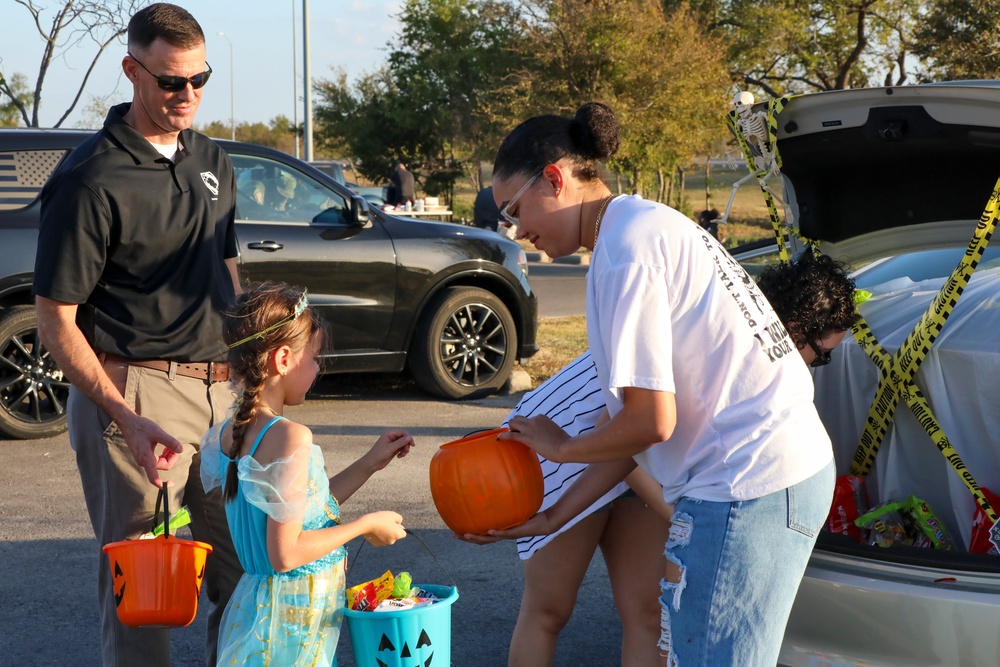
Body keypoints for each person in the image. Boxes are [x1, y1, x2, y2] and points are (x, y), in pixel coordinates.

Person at [485, 102, 836, 667]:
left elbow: (651, 423)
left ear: (554, 178)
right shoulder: (639, 226)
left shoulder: (628, 252)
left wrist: (561, 446)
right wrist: (556, 515)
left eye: (513, 209)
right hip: (768, 479)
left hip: (746, 488)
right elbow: (626, 429)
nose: (516, 229)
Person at [32, 4, 243, 665]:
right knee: (145, 597)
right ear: (132, 70)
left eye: (199, 79)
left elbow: (229, 272)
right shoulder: (90, 177)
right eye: (171, 82)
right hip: (137, 396)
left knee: (247, 576)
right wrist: (122, 416)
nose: (188, 96)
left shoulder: (212, 160)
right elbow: (55, 322)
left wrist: (252, 373)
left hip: (222, 398)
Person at [200, 282, 413, 666]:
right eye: (315, 357)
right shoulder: (290, 436)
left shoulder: (232, 430)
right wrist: (366, 525)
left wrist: (370, 462)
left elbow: (299, 508)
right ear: (283, 359)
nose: (318, 368)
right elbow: (285, 553)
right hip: (290, 621)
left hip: (261, 613)